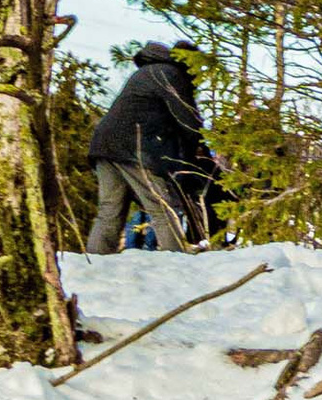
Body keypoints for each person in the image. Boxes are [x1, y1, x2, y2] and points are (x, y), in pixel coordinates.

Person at [86, 41, 222, 253]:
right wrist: (198, 153)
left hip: (104, 145)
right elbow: (186, 117)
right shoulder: (171, 74)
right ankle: (176, 260)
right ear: (188, 62)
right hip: (134, 147)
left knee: (109, 211)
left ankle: (96, 262)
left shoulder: (149, 71)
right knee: (161, 206)